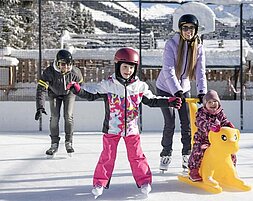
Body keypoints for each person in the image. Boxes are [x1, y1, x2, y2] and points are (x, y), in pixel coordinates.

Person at [66, 47, 182, 198]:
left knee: (137, 156)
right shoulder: (108, 85)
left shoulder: (140, 87)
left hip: (132, 129)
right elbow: (90, 94)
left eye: (131, 67)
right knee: (107, 156)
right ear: (117, 66)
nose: (128, 70)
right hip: (112, 129)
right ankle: (100, 183)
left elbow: (152, 101)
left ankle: (144, 181)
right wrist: (77, 89)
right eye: (125, 67)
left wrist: (169, 102)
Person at [155, 14, 207, 172]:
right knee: (170, 123)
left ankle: (187, 155)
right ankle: (166, 154)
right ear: (180, 29)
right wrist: (175, 91)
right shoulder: (171, 44)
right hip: (165, 88)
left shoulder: (199, 47)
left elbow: (200, 72)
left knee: (187, 124)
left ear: (195, 30)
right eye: (185, 28)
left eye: (191, 28)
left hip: (183, 89)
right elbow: (168, 70)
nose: (188, 31)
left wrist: (202, 92)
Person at [35, 49, 83, 159]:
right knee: (55, 117)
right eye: (62, 64)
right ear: (57, 63)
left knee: (68, 116)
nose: (65, 67)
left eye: (68, 64)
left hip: (69, 93)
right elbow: (41, 90)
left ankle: (69, 141)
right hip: (54, 94)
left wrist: (77, 89)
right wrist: (40, 107)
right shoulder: (49, 72)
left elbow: (80, 85)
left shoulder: (75, 73)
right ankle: (54, 143)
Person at [187, 89, 236, 182]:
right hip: (203, 139)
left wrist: (228, 124)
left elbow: (224, 121)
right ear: (205, 104)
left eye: (215, 101)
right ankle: (193, 170)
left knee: (230, 150)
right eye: (209, 102)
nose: (212, 104)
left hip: (217, 140)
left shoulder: (220, 112)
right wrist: (210, 126)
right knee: (198, 151)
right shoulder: (201, 113)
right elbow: (200, 123)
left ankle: (231, 169)